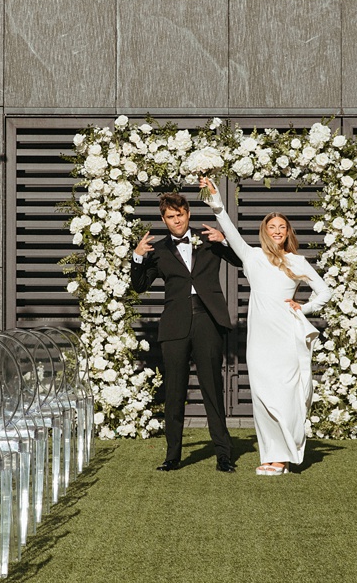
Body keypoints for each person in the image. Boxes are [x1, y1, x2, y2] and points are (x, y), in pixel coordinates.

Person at [200, 177, 333, 476]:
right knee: (262, 399)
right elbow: (230, 232)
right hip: (258, 340)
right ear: (265, 232)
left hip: (286, 337)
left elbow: (325, 291)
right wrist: (216, 201)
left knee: (284, 396)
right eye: (271, 227)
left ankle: (285, 457)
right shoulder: (252, 257)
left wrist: (305, 307)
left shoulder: (297, 261)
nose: (276, 231)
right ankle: (271, 453)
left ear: (287, 233)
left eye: (281, 228)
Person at [131, 191, 243, 473]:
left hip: (207, 319)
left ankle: (224, 456)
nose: (176, 220)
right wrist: (137, 256)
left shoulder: (207, 238)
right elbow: (140, 285)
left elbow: (240, 261)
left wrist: (225, 241)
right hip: (175, 324)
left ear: (188, 214)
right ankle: (172, 457)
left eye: (180, 214)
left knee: (212, 389)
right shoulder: (159, 250)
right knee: (174, 391)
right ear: (163, 219)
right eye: (170, 216)